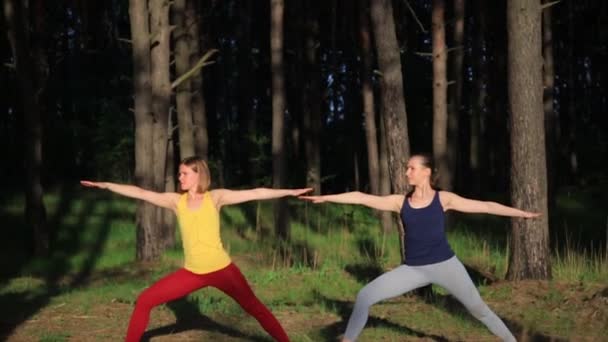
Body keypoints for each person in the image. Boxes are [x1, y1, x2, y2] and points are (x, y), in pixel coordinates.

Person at [299, 153, 540, 342]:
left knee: (478, 309)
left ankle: (510, 340)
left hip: (446, 266)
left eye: (411, 168)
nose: (406, 172)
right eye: (407, 168)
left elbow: (486, 206)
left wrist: (522, 214)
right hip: (413, 270)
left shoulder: (443, 199)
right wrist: (327, 198)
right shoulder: (399, 202)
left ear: (426, 172)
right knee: (365, 296)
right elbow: (361, 197)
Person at [81, 156, 311, 342]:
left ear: (198, 174)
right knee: (145, 300)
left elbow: (256, 193)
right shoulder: (176, 202)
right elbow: (141, 193)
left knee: (255, 308)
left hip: (223, 270)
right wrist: (107, 185)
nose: (179, 177)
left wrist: (289, 192)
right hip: (192, 273)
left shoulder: (215, 197)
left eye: (184, 173)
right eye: (180, 173)